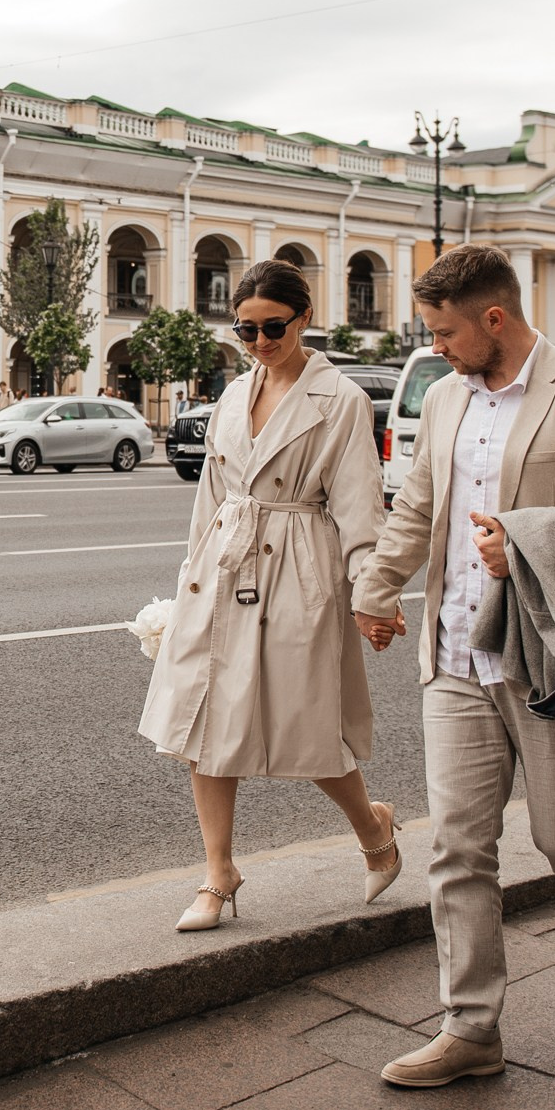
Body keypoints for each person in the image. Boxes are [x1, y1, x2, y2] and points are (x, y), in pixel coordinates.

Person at [350, 245, 555, 1088]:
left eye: (446, 332)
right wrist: (375, 588)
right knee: (458, 847)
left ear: (494, 318)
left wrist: (528, 539)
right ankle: (471, 1028)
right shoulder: (449, 396)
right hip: (456, 652)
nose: (438, 348)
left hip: (546, 653)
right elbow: (420, 503)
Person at [138, 259, 401, 934]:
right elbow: (213, 497)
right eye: (246, 330)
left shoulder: (338, 398)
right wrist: (188, 585)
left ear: (304, 318)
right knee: (203, 721)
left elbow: (359, 507)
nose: (258, 343)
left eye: (272, 328)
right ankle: (219, 874)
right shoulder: (233, 394)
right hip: (225, 566)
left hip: (299, 568)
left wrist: (372, 594)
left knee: (304, 726)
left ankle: (374, 830)